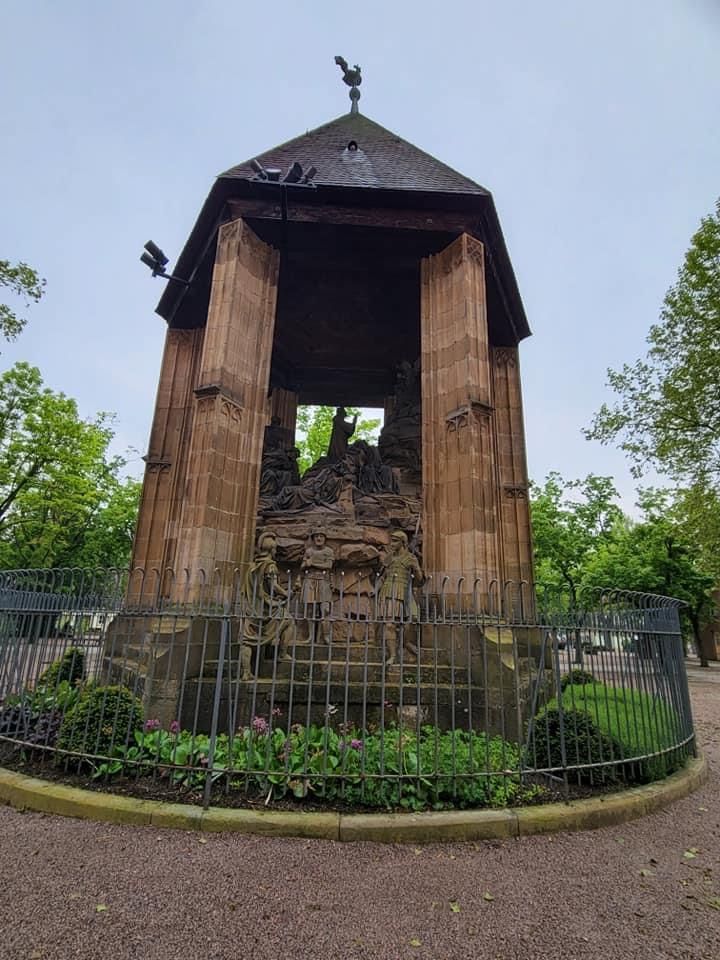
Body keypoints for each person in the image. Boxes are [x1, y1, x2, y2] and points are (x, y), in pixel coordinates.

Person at [238, 531, 294, 679]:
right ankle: (282, 654)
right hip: (265, 607)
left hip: (251, 607)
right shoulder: (270, 566)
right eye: (275, 549)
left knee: (247, 639)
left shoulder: (251, 566)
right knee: (288, 620)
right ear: (271, 550)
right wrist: (286, 593)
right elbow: (273, 585)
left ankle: (246, 672)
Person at [376, 530, 423, 665]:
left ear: (403, 542)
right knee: (389, 624)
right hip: (388, 591)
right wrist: (376, 589)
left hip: (404, 592)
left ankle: (407, 643)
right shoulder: (388, 558)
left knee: (408, 624)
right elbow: (383, 577)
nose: (392, 543)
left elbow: (419, 581)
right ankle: (392, 655)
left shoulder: (410, 558)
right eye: (392, 540)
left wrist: (416, 567)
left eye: (395, 541)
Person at [299, 530, 335, 642]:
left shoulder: (328, 551)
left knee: (324, 610)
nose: (319, 538)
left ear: (325, 538)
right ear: (313, 538)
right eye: (316, 536)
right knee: (310, 610)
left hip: (323, 581)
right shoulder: (309, 551)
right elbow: (303, 566)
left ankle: (323, 636)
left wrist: (312, 563)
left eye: (321, 536)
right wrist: (306, 564)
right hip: (310, 580)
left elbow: (328, 565)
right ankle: (311, 636)